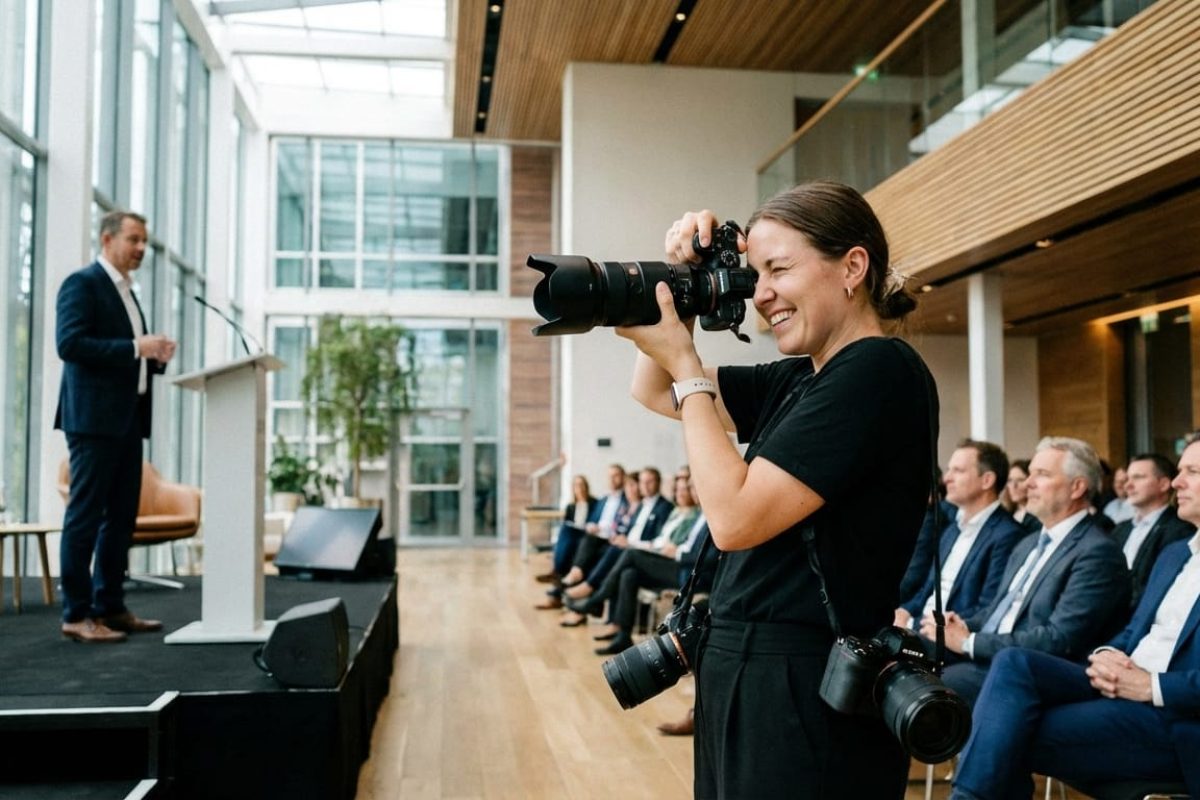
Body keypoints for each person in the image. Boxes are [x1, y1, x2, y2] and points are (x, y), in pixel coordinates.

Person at [619, 181, 935, 797]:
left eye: (778, 269)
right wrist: (679, 286)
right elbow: (654, 391)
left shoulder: (878, 371)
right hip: (745, 664)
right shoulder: (797, 378)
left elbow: (733, 519)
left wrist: (687, 365)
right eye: (754, 272)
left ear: (852, 266)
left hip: (807, 683)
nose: (760, 294)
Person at [949, 434, 1200, 800]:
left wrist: (1152, 686)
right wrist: (1106, 655)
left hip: (1174, 716)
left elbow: (1060, 635)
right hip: (1117, 684)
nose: (1177, 482)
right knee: (1013, 666)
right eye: (1179, 471)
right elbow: (1132, 632)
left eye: (1191, 472)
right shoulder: (1176, 554)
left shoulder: (1099, 549)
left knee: (1004, 728)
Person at [920, 436, 1131, 705]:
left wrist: (969, 641)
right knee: (899, 651)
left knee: (926, 689)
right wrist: (959, 626)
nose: (1027, 483)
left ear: (1077, 487)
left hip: (1031, 668)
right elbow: (997, 612)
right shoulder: (1028, 543)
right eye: (1030, 473)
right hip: (991, 652)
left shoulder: (1097, 552)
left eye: (1041, 474)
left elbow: (1058, 639)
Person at [55, 210, 177, 643]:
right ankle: (76, 613)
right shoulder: (83, 284)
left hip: (127, 420)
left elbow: (129, 355)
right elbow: (69, 344)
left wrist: (153, 357)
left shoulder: (127, 292)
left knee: (121, 518)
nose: (142, 248)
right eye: (134, 240)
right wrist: (135, 346)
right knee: (86, 517)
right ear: (107, 240)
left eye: (144, 241)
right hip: (92, 421)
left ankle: (111, 606)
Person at [896, 440, 1024, 650]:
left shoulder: (1007, 535)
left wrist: (914, 623)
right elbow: (927, 591)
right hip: (919, 627)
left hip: (949, 638)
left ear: (987, 480)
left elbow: (987, 608)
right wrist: (905, 612)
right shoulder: (952, 529)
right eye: (948, 470)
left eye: (958, 471)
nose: (946, 479)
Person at [567, 476, 704, 654]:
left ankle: (597, 598)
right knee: (628, 574)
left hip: (687, 572)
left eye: (690, 488)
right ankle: (623, 635)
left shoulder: (705, 515)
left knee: (629, 554)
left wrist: (677, 551)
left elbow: (706, 556)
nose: (689, 492)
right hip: (670, 558)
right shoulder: (689, 513)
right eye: (685, 488)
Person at [1112, 453, 1195, 609]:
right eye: (1128, 478)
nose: (1128, 485)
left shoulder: (1180, 530)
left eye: (1138, 477)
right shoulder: (1121, 529)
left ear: (1164, 484)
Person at [533, 473, 598, 606]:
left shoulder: (595, 503)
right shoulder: (571, 506)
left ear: (586, 487)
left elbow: (594, 523)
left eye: (581, 484)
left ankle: (555, 574)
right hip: (572, 538)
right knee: (565, 531)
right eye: (576, 485)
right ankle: (557, 579)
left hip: (586, 537)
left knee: (566, 534)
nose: (578, 487)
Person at [1002, 458, 1041, 534]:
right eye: (1010, 480)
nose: (1014, 486)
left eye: (1020, 480)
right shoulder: (1006, 515)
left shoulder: (1038, 518)